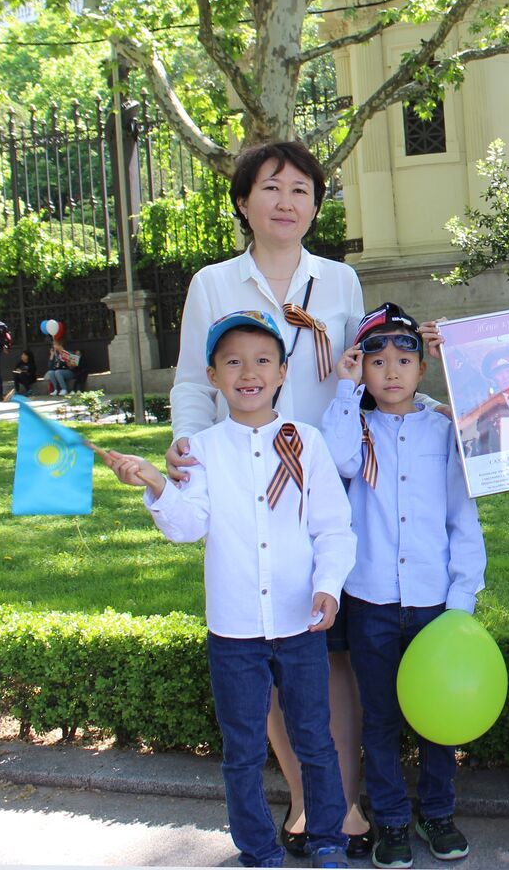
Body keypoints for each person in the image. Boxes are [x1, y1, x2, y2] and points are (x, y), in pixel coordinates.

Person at [166, 141, 373, 855]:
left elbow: (364, 373)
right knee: (262, 634)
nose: (287, 201)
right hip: (245, 484)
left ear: (317, 205)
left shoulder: (340, 280)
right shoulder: (213, 283)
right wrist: (189, 452)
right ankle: (303, 800)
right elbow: (195, 382)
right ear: (244, 202)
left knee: (324, 643)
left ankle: (337, 802)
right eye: (271, 188)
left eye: (302, 190)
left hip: (325, 480)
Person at [101, 310, 356, 869]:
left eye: (263, 360)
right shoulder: (202, 450)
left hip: (299, 623)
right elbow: (188, 525)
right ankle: (258, 847)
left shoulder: (305, 443)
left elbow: (333, 529)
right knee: (242, 749)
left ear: (283, 371)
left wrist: (328, 587)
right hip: (234, 629)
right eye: (233, 361)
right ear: (213, 375)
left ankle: (330, 839)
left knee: (315, 738)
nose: (249, 371)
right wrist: (154, 483)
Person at [319, 303, 485, 869]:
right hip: (372, 601)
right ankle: (390, 819)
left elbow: (463, 515)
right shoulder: (353, 425)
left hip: (434, 601)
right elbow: (337, 461)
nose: (391, 371)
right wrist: (344, 390)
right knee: (383, 718)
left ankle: (437, 812)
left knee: (438, 718)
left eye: (404, 359)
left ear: (422, 368)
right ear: (360, 367)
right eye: (376, 360)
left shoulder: (445, 426)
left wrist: (462, 599)